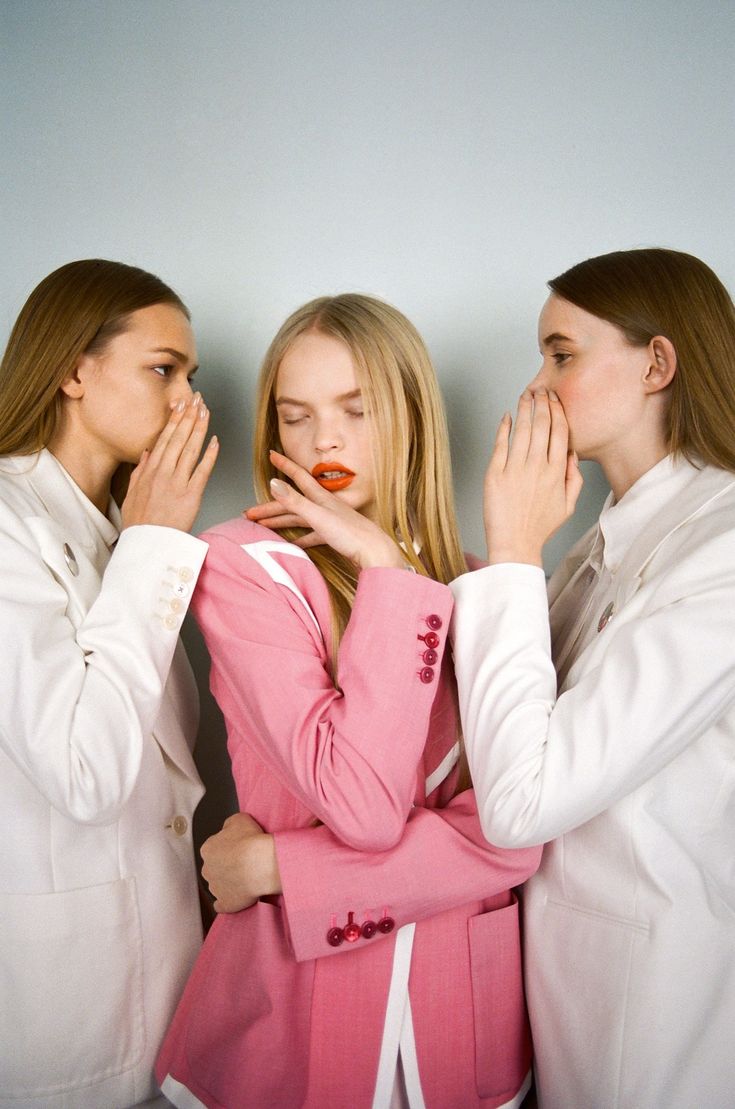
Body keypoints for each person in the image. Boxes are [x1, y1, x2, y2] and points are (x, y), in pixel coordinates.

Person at [156, 293, 541, 1109]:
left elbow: (520, 834)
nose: (321, 439)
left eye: (354, 410)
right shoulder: (242, 568)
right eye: (294, 417)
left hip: (463, 1022)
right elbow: (360, 807)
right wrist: (389, 577)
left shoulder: (481, 587)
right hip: (292, 1019)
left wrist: (280, 867)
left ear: (409, 414)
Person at [449, 248, 735, 1108]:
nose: (534, 385)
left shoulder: (720, 549)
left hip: (650, 997)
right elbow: (500, 725)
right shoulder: (602, 538)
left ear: (656, 364)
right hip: (559, 971)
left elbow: (521, 800)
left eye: (561, 354)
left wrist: (509, 547)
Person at [0, 259, 219, 1108]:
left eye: (191, 376)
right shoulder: (10, 524)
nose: (186, 403)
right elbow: (84, 770)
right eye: (162, 369)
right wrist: (156, 545)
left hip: (165, 972)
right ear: (73, 369)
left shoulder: (114, 531)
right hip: (64, 1003)